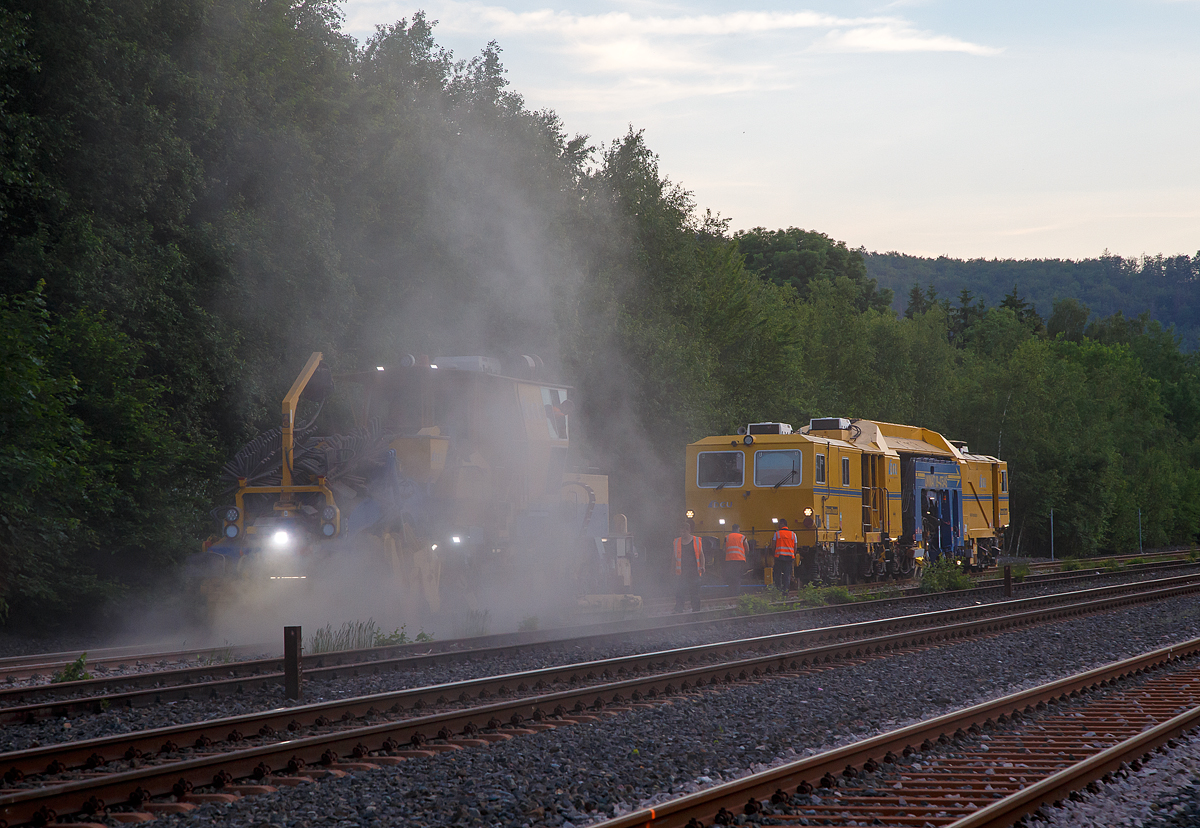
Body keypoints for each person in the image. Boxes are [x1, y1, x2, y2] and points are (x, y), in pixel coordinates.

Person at [673, 522, 705, 612]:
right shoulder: (677, 542)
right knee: (680, 592)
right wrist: (672, 569)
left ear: (689, 530)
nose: (682, 534)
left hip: (694, 572)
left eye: (684, 532)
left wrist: (703, 566)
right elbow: (674, 556)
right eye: (681, 532)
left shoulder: (696, 541)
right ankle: (679, 609)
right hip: (681, 572)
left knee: (695, 593)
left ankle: (696, 610)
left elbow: (701, 555)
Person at [771, 519, 797, 595]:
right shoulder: (793, 534)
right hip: (789, 557)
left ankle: (778, 591)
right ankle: (786, 592)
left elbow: (773, 546)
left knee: (778, 574)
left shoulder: (777, 534)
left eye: (779, 524)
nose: (778, 526)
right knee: (787, 575)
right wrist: (793, 554)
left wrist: (774, 554)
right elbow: (795, 547)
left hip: (779, 557)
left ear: (782, 524)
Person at [723, 524, 747, 598]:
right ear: (738, 529)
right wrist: (744, 555)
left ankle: (731, 592)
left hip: (729, 560)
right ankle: (736, 593)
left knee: (731, 576)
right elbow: (747, 548)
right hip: (740, 559)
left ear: (732, 528)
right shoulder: (742, 537)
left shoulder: (727, 537)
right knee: (738, 576)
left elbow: (724, 549)